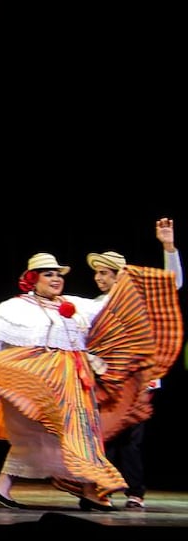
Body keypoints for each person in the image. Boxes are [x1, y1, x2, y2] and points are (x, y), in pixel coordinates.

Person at [0, 252, 181, 511]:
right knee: (72, 435)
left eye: (58, 274)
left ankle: (4, 487)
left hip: (74, 382)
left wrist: (153, 262)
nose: (56, 279)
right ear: (33, 279)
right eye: (49, 274)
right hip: (39, 382)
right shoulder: (15, 307)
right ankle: (89, 490)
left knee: (49, 438)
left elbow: (120, 304)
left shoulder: (76, 305)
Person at [88, 217, 182, 509]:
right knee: (104, 434)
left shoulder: (141, 300)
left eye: (104, 273)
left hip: (138, 379)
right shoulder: (95, 305)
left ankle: (134, 492)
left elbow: (172, 283)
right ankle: (102, 488)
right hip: (107, 379)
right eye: (97, 273)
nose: (98, 278)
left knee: (131, 437)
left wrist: (168, 247)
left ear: (119, 276)